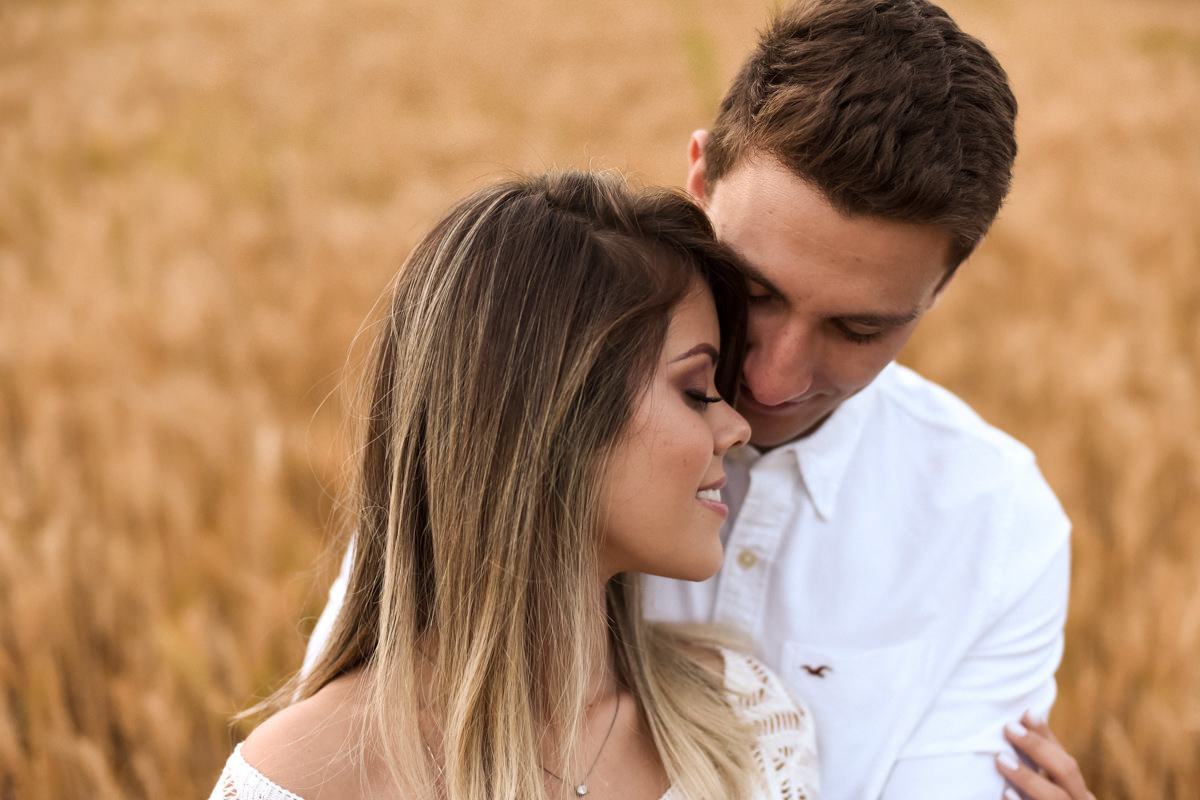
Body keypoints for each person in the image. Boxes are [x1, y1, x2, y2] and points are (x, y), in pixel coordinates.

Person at [306, 2, 1096, 798]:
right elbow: (355, 747)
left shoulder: (997, 529)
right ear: (699, 179)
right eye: (754, 291)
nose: (774, 381)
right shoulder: (518, 427)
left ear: (946, 283)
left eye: (858, 329)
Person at [210, 171, 821, 800]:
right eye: (695, 391)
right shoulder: (303, 777)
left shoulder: (745, 725)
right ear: (551, 419)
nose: (737, 428)